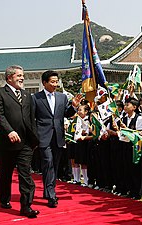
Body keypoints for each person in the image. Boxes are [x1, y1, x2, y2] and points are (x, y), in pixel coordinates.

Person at [0, 65, 40, 218]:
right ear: (9, 77)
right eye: (19, 75)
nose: (22, 78)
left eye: (22, 75)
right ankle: (4, 199)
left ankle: (26, 206)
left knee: (25, 174)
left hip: (25, 143)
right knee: (5, 174)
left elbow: (31, 118)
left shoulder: (27, 96)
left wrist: (34, 138)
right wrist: (9, 131)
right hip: (7, 143)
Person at [32, 70, 82, 208]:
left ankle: (48, 192)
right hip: (43, 136)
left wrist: (74, 106)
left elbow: (67, 113)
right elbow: (31, 118)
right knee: (48, 163)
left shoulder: (62, 97)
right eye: (52, 82)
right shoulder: (36, 98)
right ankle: (51, 194)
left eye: (56, 82)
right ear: (44, 83)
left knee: (54, 165)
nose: (55, 84)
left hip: (58, 137)